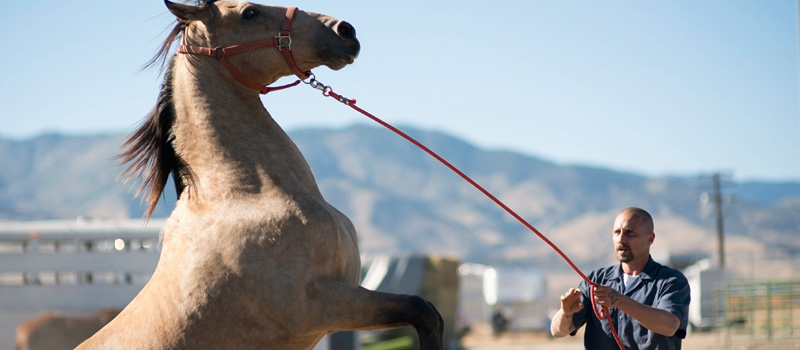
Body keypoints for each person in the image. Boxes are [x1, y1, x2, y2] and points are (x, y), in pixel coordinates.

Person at [550, 207, 690, 349]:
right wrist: (565, 313)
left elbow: (669, 326)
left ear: (650, 238)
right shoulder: (596, 280)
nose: (621, 239)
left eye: (630, 233)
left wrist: (618, 300)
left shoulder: (671, 281)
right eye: (617, 232)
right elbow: (557, 331)